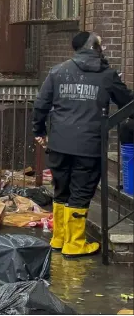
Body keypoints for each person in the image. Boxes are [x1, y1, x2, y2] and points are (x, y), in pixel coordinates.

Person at [33, 31, 134, 258]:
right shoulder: (107, 75)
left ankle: (59, 238)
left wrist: (39, 131)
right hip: (89, 145)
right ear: (95, 47)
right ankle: (75, 244)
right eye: (101, 45)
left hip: (59, 143)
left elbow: (40, 105)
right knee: (81, 192)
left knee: (62, 190)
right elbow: (128, 103)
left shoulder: (58, 72)